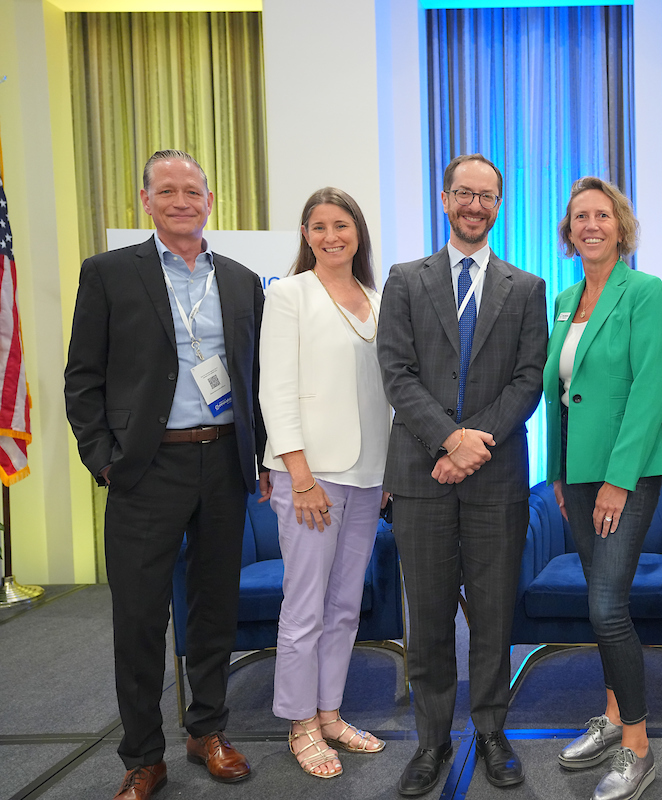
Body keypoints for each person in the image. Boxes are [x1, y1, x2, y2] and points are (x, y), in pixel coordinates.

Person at [64, 150, 263, 800]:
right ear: (145, 200)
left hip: (223, 462)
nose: (182, 201)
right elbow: (82, 378)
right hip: (145, 470)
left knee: (214, 611)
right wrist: (104, 459)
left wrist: (257, 455)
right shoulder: (109, 275)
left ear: (210, 201)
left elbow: (254, 378)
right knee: (141, 618)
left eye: (193, 191)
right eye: (167, 191)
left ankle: (207, 731)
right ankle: (143, 756)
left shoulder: (240, 280)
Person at [377, 153, 548, 796]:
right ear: (445, 199)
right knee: (426, 617)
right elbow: (396, 372)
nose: (476, 206)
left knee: (493, 614)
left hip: (497, 474)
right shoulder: (405, 279)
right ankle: (430, 742)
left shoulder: (525, 287)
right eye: (465, 194)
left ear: (499, 206)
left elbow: (528, 378)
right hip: (421, 475)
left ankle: (493, 731)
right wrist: (448, 439)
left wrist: (476, 443)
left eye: (488, 197)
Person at [544, 176, 662, 800]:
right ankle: (614, 716)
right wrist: (561, 475)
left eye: (602, 215)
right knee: (602, 605)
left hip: (627, 475)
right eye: (579, 218)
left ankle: (639, 748)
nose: (590, 225)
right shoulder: (568, 299)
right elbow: (560, 397)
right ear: (568, 231)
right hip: (579, 475)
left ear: (620, 226)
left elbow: (649, 391)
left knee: (606, 606)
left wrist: (617, 483)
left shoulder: (644, 293)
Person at [258, 188, 392, 778]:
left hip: (367, 477)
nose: (331, 235)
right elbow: (275, 389)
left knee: (344, 606)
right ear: (305, 234)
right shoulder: (289, 295)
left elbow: (387, 393)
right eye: (319, 226)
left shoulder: (378, 299)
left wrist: (386, 475)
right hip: (309, 476)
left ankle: (331, 712)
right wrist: (300, 475)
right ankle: (300, 723)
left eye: (342, 225)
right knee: (305, 605)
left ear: (357, 233)